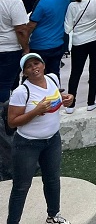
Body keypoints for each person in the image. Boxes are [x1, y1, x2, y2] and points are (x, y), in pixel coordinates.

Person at [6, 53, 74, 224]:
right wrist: (35, 111)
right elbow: (12, 122)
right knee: (21, 186)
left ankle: (53, 216)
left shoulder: (52, 79)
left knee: (52, 179)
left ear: (43, 65)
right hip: (27, 145)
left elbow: (56, 97)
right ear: (25, 72)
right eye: (29, 66)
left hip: (52, 140)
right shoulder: (21, 92)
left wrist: (67, 99)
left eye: (36, 63)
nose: (34, 68)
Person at [62, 0, 96, 113]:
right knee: (94, 71)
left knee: (75, 72)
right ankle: (91, 102)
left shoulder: (72, 6)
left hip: (78, 42)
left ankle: (70, 105)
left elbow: (67, 28)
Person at [24, 0, 70, 78]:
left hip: (39, 45)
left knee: (34, 76)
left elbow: (31, 25)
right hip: (58, 43)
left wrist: (24, 43)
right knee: (53, 75)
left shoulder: (42, 2)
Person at [0, 0, 29, 103]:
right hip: (9, 49)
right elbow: (21, 29)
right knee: (5, 85)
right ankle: (4, 118)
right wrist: (26, 48)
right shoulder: (15, 2)